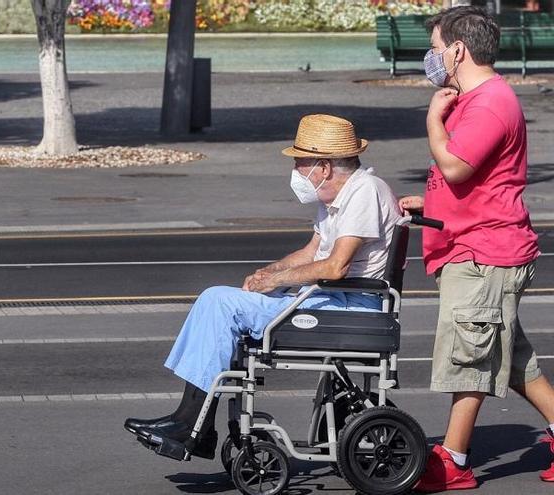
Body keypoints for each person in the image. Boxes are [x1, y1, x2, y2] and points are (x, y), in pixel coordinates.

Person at [124, 114, 402, 459]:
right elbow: (311, 252)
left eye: (301, 163)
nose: (296, 171)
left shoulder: (364, 193)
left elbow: (335, 266)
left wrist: (277, 280)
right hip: (330, 299)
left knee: (218, 302)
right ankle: (192, 421)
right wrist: (268, 272)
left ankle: (193, 423)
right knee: (222, 301)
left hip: (347, 307)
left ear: (325, 168)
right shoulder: (339, 198)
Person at [399, 6, 554, 491]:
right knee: (509, 359)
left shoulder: (489, 102)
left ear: (459, 50)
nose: (433, 57)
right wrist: (433, 203)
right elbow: (482, 176)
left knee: (472, 358)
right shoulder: (481, 99)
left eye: (437, 47)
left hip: (484, 252)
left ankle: (454, 460)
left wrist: (432, 118)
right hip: (479, 244)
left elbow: (458, 167)